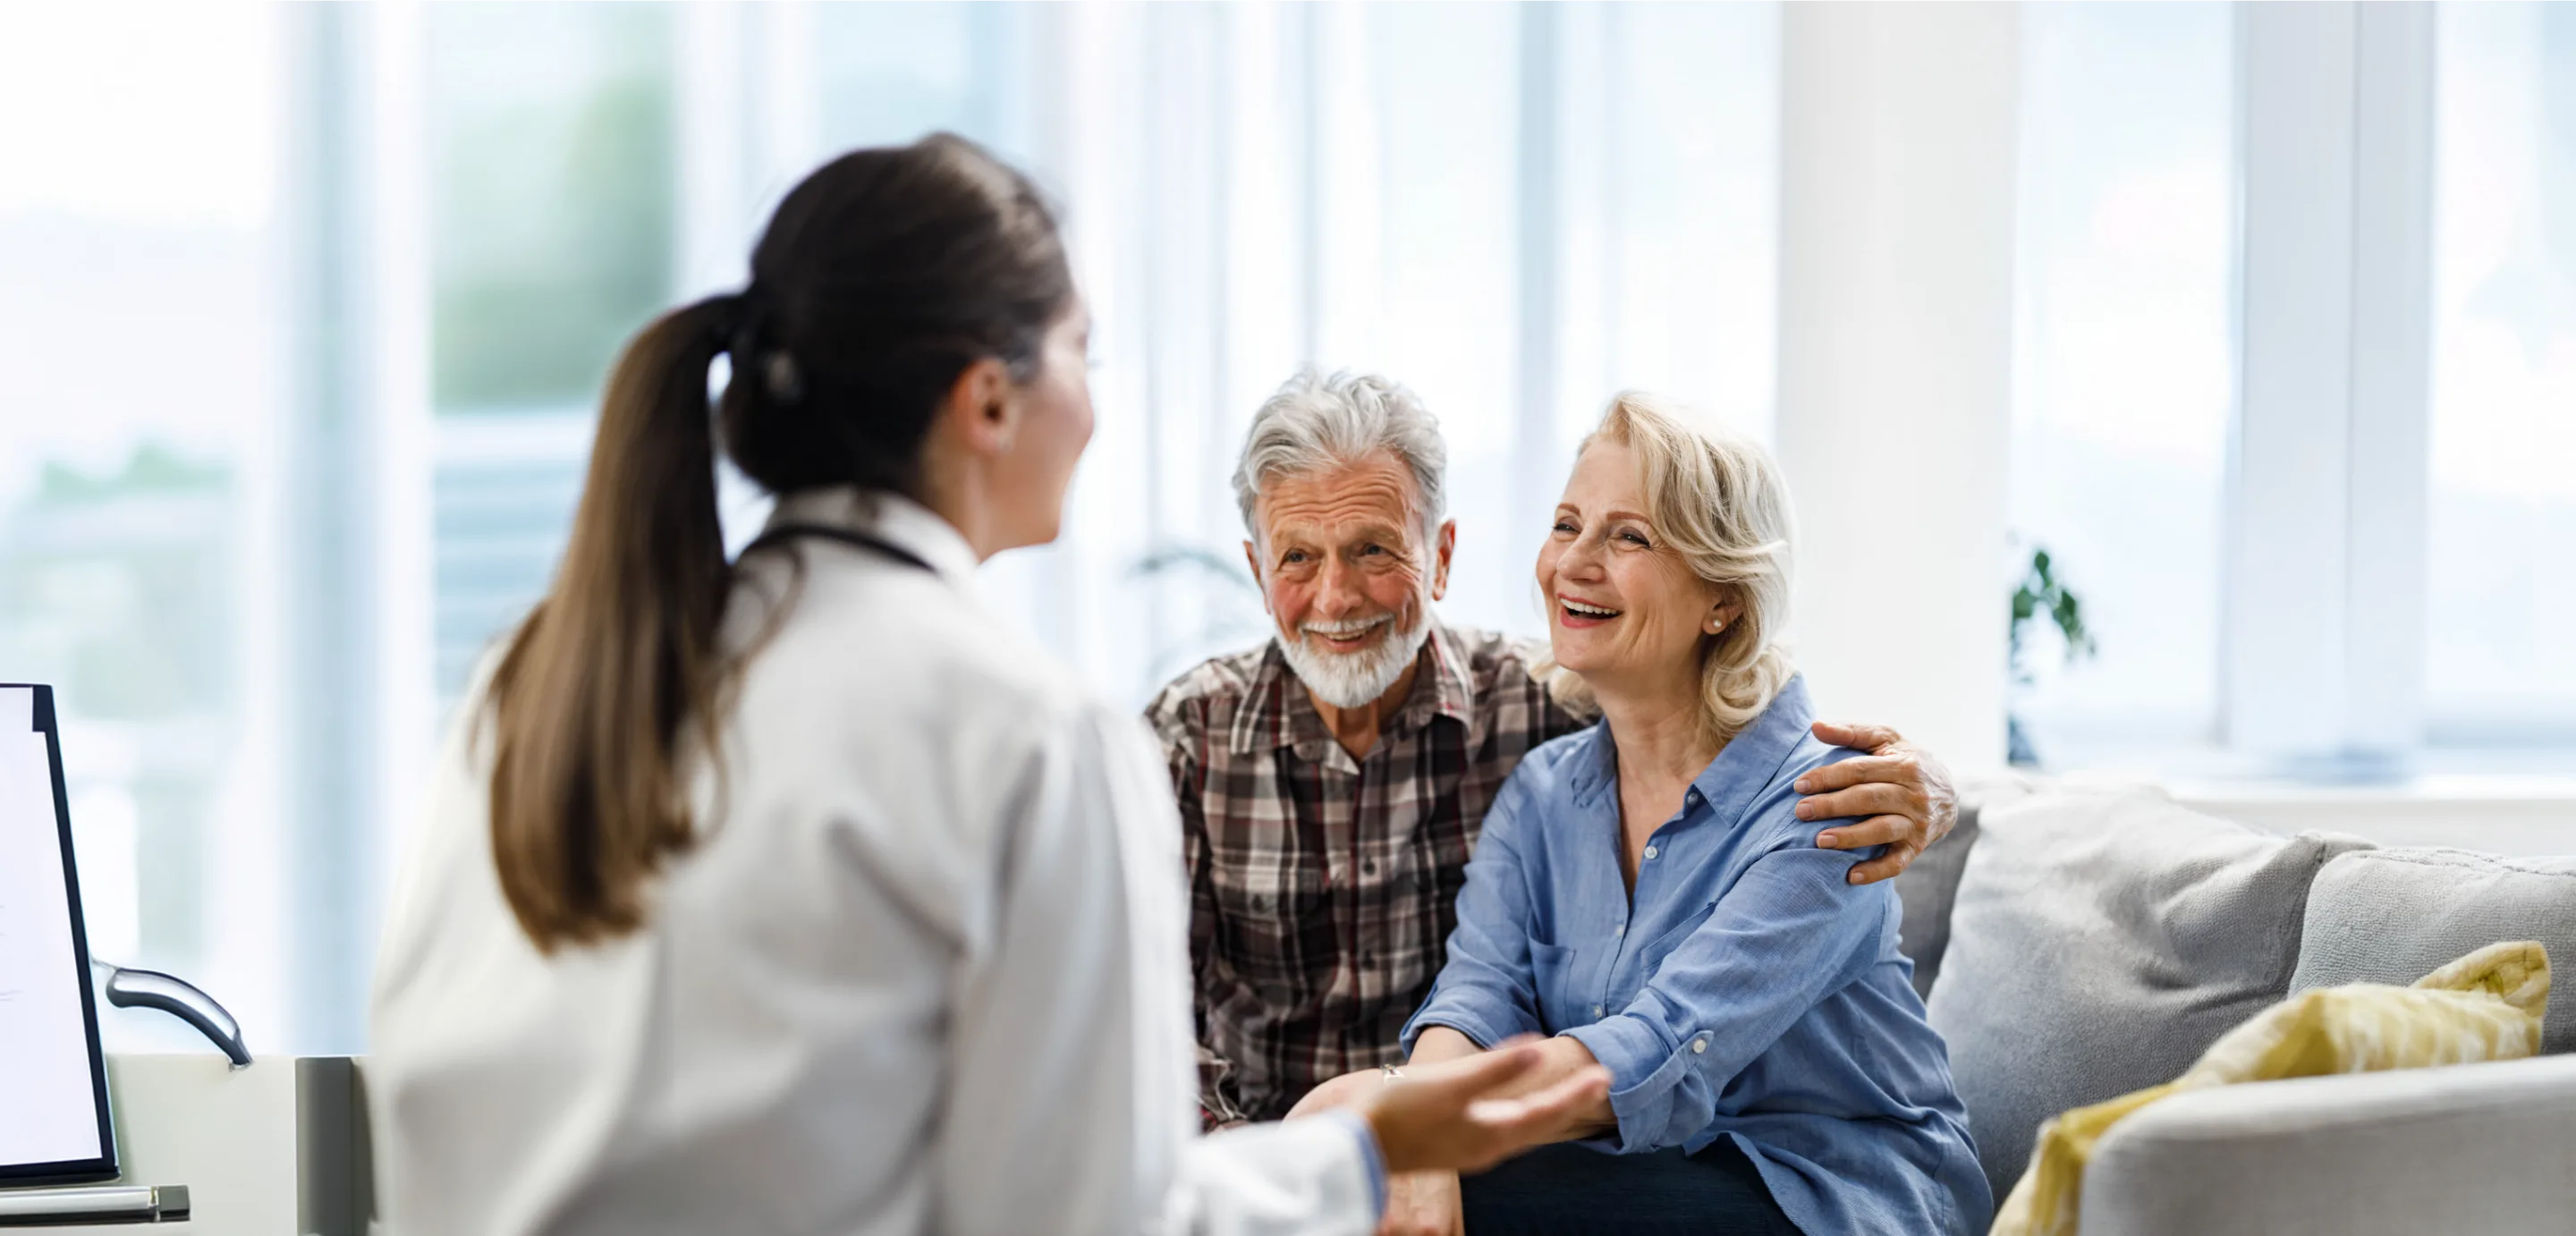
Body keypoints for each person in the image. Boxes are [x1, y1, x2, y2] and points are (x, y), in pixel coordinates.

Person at [366, 133, 1609, 1236]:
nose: (1095, 402)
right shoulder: (1031, 736)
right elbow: (1100, 1216)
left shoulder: (539, 675)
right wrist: (1370, 1148)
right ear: (989, 399)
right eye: (1085, 350)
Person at [1146, 372, 1961, 1143]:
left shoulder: (1537, 700)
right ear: (1257, 570)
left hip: (1483, 1133)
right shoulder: (1187, 736)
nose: (1335, 597)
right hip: (1279, 1144)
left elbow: (1707, 699)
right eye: (1297, 557)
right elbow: (1135, 1015)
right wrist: (1269, 1174)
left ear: (1441, 558)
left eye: (1373, 550)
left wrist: (1932, 781)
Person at [1301, 393, 1991, 1235]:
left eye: (1630, 536)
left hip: (1827, 1189)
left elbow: (1667, 1048)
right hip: (1645, 1173)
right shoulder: (1545, 790)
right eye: (1566, 525)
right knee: (1366, 1169)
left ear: (1723, 599)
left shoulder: (1828, 802)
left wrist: (1404, 1109)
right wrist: (1417, 1121)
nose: (1573, 564)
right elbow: (1479, 995)